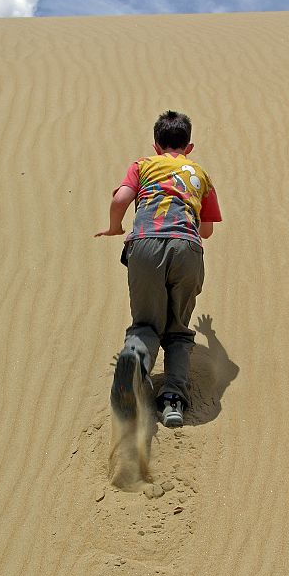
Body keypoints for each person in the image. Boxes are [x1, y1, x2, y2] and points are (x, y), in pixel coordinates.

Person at [95, 110, 222, 427]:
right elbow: (206, 231)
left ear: (156, 145)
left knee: (146, 325)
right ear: (189, 147)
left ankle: (134, 364)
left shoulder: (143, 166)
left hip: (145, 246)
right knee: (177, 331)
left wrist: (115, 227)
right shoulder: (200, 175)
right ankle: (172, 400)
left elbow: (122, 197)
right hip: (187, 248)